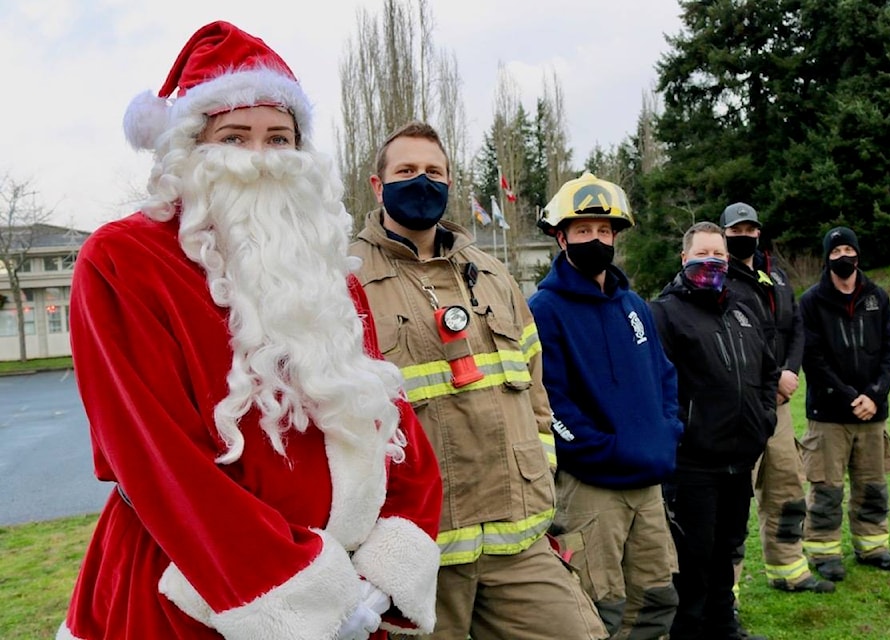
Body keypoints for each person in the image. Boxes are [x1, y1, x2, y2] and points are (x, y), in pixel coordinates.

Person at [57, 22, 442, 640]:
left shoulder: (322, 269)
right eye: (234, 137)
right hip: (195, 596)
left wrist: (384, 568)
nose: (261, 160)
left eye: (279, 138)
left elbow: (391, 417)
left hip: (350, 590)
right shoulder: (123, 260)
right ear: (189, 150)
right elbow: (154, 457)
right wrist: (303, 593)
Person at [349, 122, 606, 640]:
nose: (421, 181)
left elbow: (535, 392)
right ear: (378, 187)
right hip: (416, 554)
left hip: (519, 542)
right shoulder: (345, 282)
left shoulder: (493, 275)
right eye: (406, 171)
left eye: (434, 172)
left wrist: (539, 480)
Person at [527, 172, 683, 640]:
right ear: (561, 237)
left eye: (604, 231)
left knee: (657, 601)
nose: (596, 239)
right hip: (591, 488)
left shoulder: (634, 305)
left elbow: (665, 376)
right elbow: (548, 401)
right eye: (583, 231)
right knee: (599, 609)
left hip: (648, 484)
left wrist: (666, 430)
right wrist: (604, 449)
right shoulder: (543, 309)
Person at [649, 221, 778, 640]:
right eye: (703, 254)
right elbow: (659, 387)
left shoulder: (744, 307)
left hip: (740, 459)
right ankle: (688, 631)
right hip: (693, 465)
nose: (712, 262)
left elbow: (766, 371)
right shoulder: (664, 313)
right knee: (693, 556)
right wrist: (684, 433)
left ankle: (724, 625)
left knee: (728, 550)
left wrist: (764, 423)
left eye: (719, 255)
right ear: (684, 259)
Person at [720, 203, 834, 595]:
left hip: (780, 407)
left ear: (759, 232)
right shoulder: (718, 280)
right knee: (732, 502)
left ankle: (788, 569)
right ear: (724, 235)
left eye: (750, 228)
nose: (744, 236)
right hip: (740, 408)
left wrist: (792, 372)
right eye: (736, 229)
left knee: (786, 487)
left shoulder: (778, 278)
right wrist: (773, 378)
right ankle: (725, 594)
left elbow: (796, 328)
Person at [799, 226, 890, 582]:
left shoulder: (878, 297)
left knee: (872, 484)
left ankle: (873, 547)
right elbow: (813, 359)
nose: (843, 257)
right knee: (827, 487)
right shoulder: (812, 301)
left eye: (848, 249)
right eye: (835, 251)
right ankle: (824, 552)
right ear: (827, 258)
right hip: (830, 414)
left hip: (873, 412)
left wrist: (875, 395)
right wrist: (850, 397)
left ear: (858, 254)